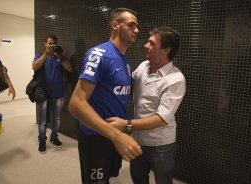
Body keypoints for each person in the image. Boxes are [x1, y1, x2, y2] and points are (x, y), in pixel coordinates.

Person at [68, 8, 142, 184]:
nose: (137, 30)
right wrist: (117, 136)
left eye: (137, 26)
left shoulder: (127, 61)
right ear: (115, 25)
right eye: (131, 25)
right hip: (96, 137)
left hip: (114, 134)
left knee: (109, 177)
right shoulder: (98, 55)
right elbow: (76, 104)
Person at [107, 27, 186, 184]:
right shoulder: (143, 66)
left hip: (160, 144)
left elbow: (161, 119)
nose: (145, 45)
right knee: (138, 178)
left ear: (165, 50)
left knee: (163, 180)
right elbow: (128, 87)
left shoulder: (175, 79)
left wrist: (125, 125)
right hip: (138, 140)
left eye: (151, 43)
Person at [32, 35, 72, 154]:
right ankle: (42, 141)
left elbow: (69, 69)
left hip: (58, 91)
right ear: (45, 44)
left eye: (53, 44)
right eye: (49, 43)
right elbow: (34, 66)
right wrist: (46, 54)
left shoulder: (59, 57)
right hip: (43, 92)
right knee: (43, 120)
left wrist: (60, 56)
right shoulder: (40, 55)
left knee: (57, 119)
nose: (51, 46)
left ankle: (54, 137)